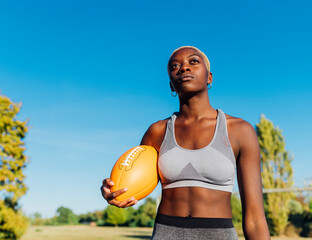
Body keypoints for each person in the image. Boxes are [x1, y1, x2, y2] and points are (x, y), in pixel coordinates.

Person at [101, 46, 270, 239]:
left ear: (209, 78)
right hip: (166, 232)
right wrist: (113, 191)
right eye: (175, 66)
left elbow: (255, 218)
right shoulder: (156, 132)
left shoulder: (240, 130)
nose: (183, 68)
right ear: (172, 86)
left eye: (193, 61)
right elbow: (134, 181)